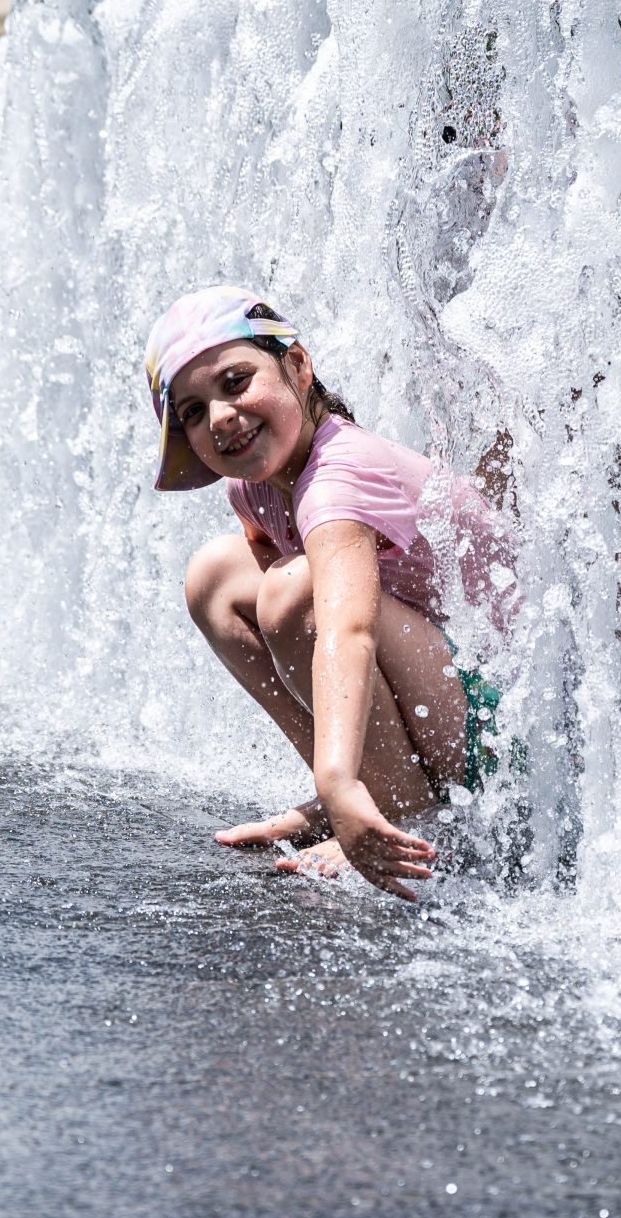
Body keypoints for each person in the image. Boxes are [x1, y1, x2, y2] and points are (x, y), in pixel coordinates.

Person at [144, 286, 510, 900]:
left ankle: (402, 814)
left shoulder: (341, 473)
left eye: (236, 382)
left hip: (509, 720)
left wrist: (337, 777)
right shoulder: (251, 488)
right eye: (193, 412)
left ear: (297, 366)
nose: (221, 416)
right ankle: (369, 794)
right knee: (215, 575)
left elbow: (345, 629)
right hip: (443, 691)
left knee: (293, 593)